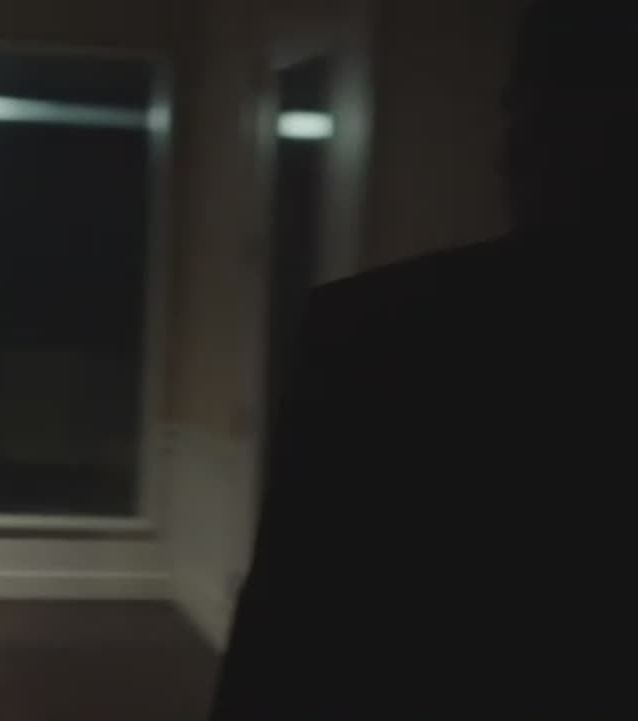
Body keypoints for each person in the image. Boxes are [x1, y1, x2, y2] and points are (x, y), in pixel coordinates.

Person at [211, 2, 635, 719]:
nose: (508, 147)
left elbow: (288, 618)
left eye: (526, 111)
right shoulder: (376, 324)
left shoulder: (379, 326)